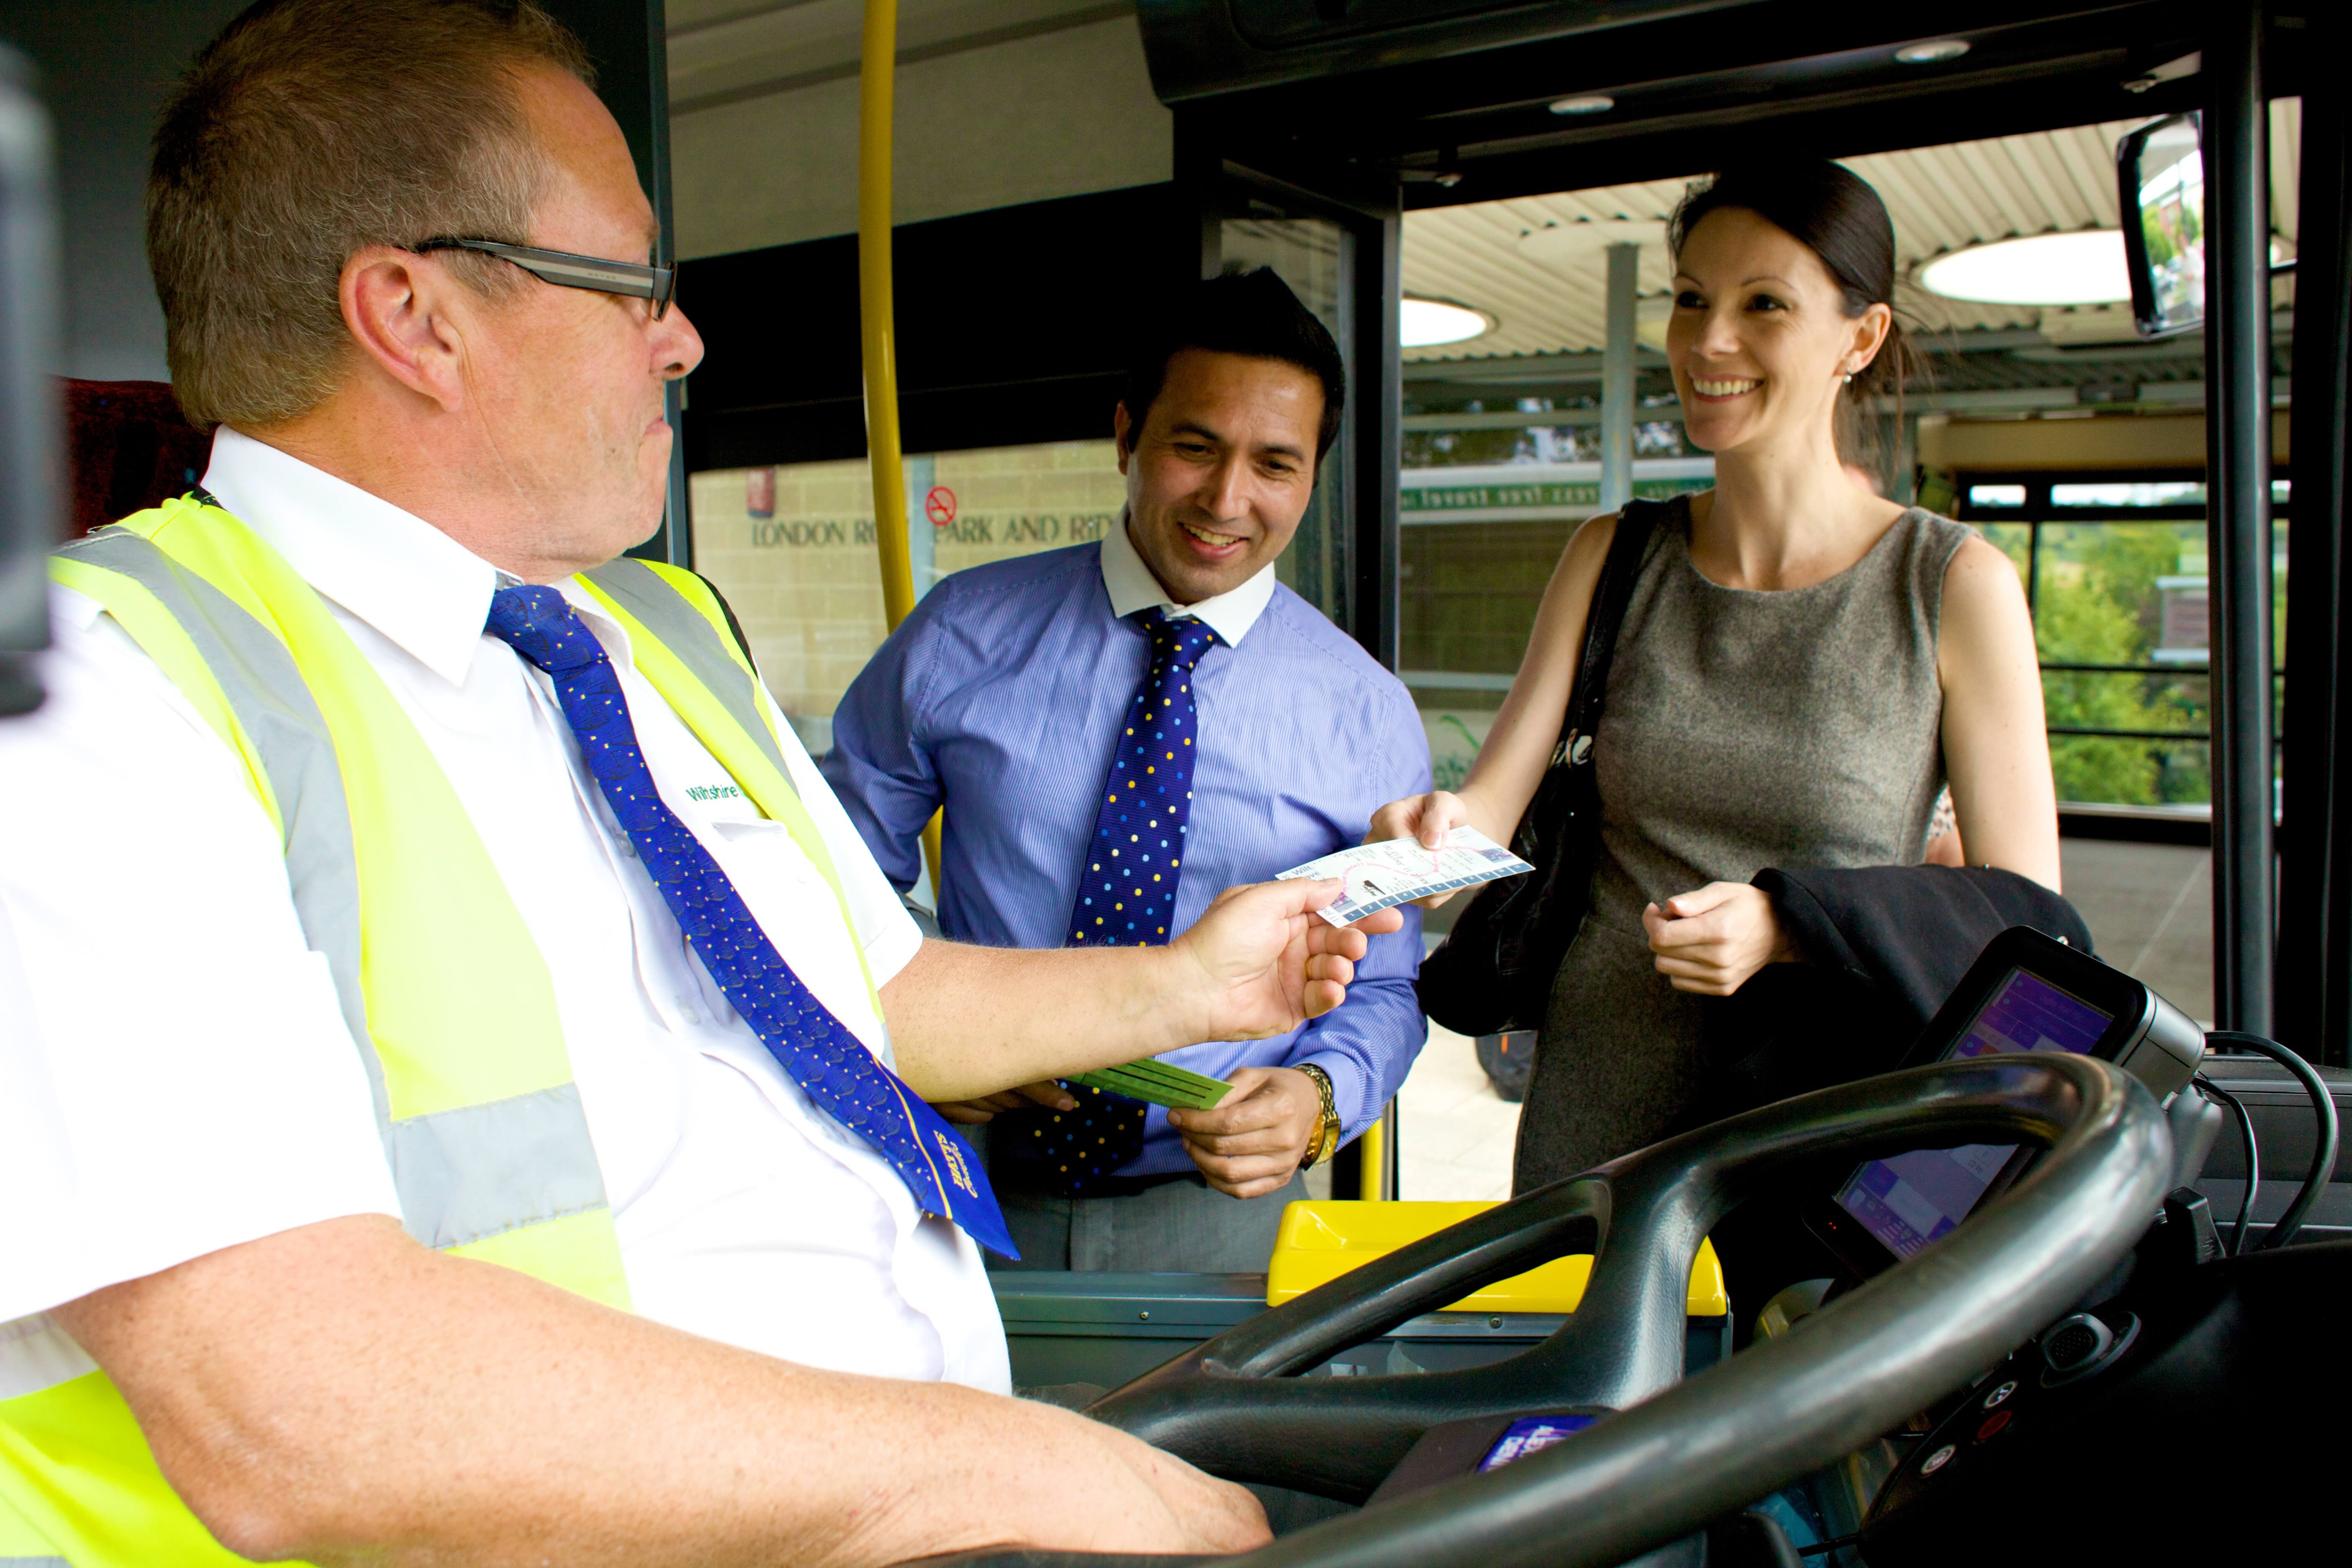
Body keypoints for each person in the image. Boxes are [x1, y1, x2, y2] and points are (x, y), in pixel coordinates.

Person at [0, 4, 1403, 1563]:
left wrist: (1191, 989)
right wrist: (995, 1466)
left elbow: (876, 995)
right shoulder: (84, 702)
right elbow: (298, 1410)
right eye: (634, 285)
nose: (681, 339)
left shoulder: (654, 632)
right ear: (416, 317)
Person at [1374, 160, 2059, 1191]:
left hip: (1819, 1133)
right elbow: (1487, 815)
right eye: (1691, 299)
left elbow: (2028, 922)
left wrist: (1793, 928)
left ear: (1859, 340)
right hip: (1596, 1127)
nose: (1709, 342)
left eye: (1764, 305)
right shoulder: (1614, 556)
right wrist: (1416, 841)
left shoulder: (1951, 584)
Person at [823, 270, 1430, 1271]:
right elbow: (826, 886)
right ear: (1126, 436)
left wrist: (1320, 1101)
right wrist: (927, 1034)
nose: (1227, 500)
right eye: (1195, 446)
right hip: (949, 1179)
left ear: (1312, 477)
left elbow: (1387, 985)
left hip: (1228, 1214)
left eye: (1274, 464)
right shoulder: (959, 637)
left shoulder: (1367, 714)